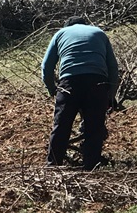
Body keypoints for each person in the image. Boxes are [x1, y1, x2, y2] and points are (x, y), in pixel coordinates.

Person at [41, 16, 119, 170]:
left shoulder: (61, 33)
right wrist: (110, 95)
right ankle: (91, 167)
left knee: (62, 125)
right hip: (98, 82)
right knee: (95, 127)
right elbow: (113, 68)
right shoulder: (99, 33)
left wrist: (52, 90)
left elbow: (46, 67)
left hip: (70, 83)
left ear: (68, 25)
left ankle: (53, 166)